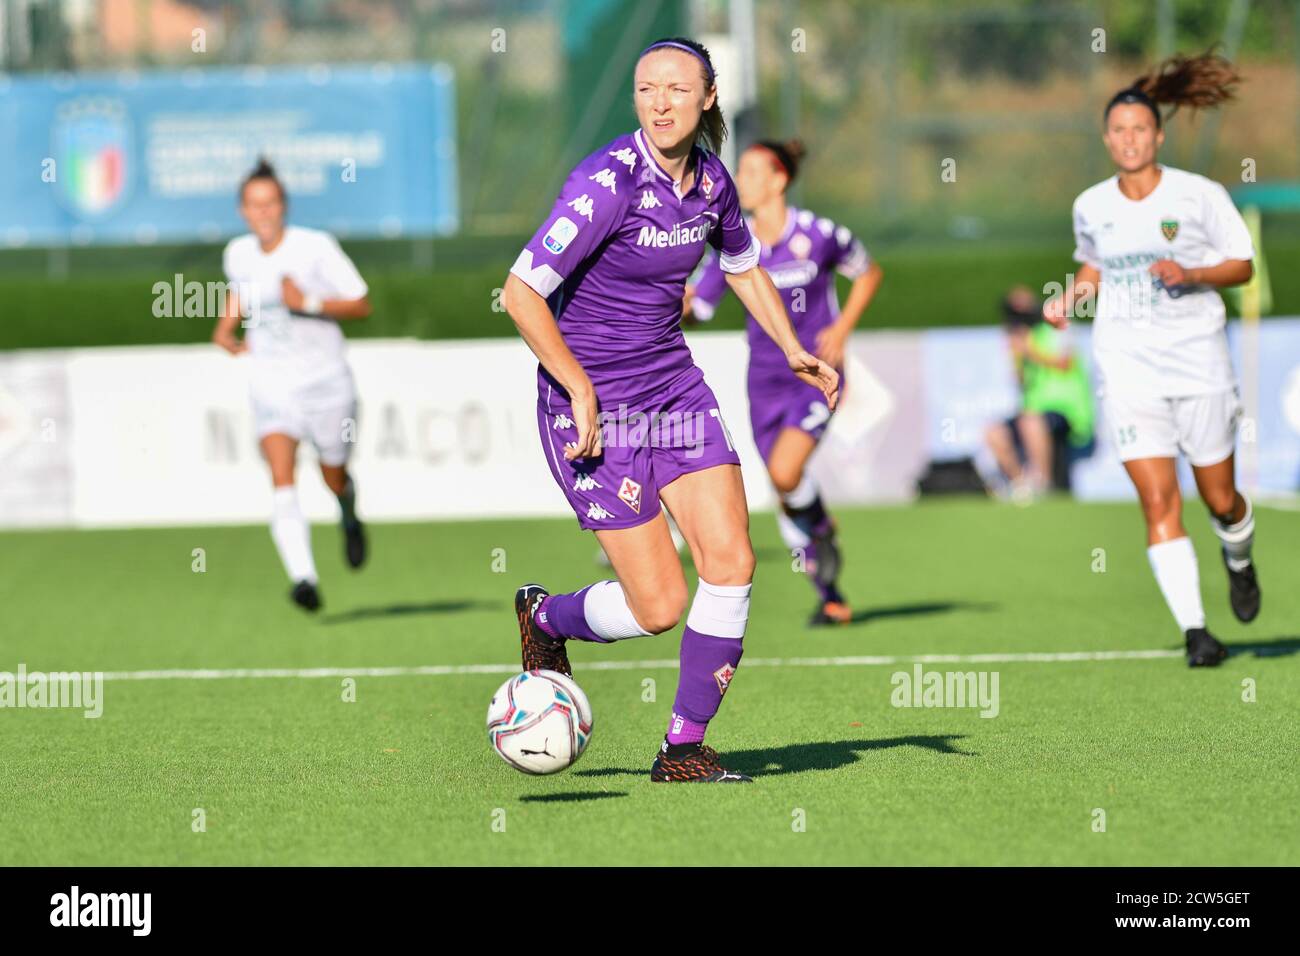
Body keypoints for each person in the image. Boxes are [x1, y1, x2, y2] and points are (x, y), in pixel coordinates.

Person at [501, 37, 838, 782]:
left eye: (677, 89)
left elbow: (744, 266)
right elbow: (521, 294)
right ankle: (548, 617)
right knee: (658, 604)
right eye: (647, 89)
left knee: (734, 559)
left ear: (708, 97)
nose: (660, 102)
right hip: (591, 407)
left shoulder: (713, 181)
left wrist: (792, 347)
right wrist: (579, 386)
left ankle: (683, 747)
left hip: (673, 391)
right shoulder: (604, 184)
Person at [1044, 51, 1260, 667]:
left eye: (1141, 129)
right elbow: (1095, 263)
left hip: (1198, 362)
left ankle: (1239, 559)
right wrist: (1071, 296)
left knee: (1220, 499)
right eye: (1119, 130)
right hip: (1128, 365)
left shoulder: (1200, 195)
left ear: (1158, 135)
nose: (1130, 139)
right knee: (1158, 501)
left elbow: (1242, 265)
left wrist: (1190, 271)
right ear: (1107, 139)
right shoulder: (1091, 205)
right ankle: (1197, 632)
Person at [684, 139, 883, 623]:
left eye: (752, 172)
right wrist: (668, 299)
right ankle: (830, 592)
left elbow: (869, 272)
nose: (741, 180)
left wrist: (841, 327)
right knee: (784, 488)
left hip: (815, 376)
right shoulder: (735, 243)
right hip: (763, 384)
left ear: (779, 180)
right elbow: (701, 308)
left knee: (785, 474)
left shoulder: (819, 233)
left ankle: (819, 529)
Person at [212, 159, 372, 612]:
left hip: (326, 381)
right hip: (272, 381)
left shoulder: (316, 247)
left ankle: (347, 506)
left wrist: (309, 302)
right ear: (243, 210)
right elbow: (240, 292)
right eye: (253, 204)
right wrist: (225, 329)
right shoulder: (237, 252)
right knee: (281, 476)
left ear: (283, 205)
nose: (262, 212)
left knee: (331, 472)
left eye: (270, 202)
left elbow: (361, 303)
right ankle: (304, 577)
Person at [984, 285, 1094, 501]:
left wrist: (1029, 351)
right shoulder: (1019, 339)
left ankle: (1042, 485)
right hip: (1034, 411)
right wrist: (1017, 358)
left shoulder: (1058, 327)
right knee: (994, 432)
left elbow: (1064, 363)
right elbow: (1021, 382)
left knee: (1031, 421)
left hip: (1068, 411)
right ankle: (1021, 487)